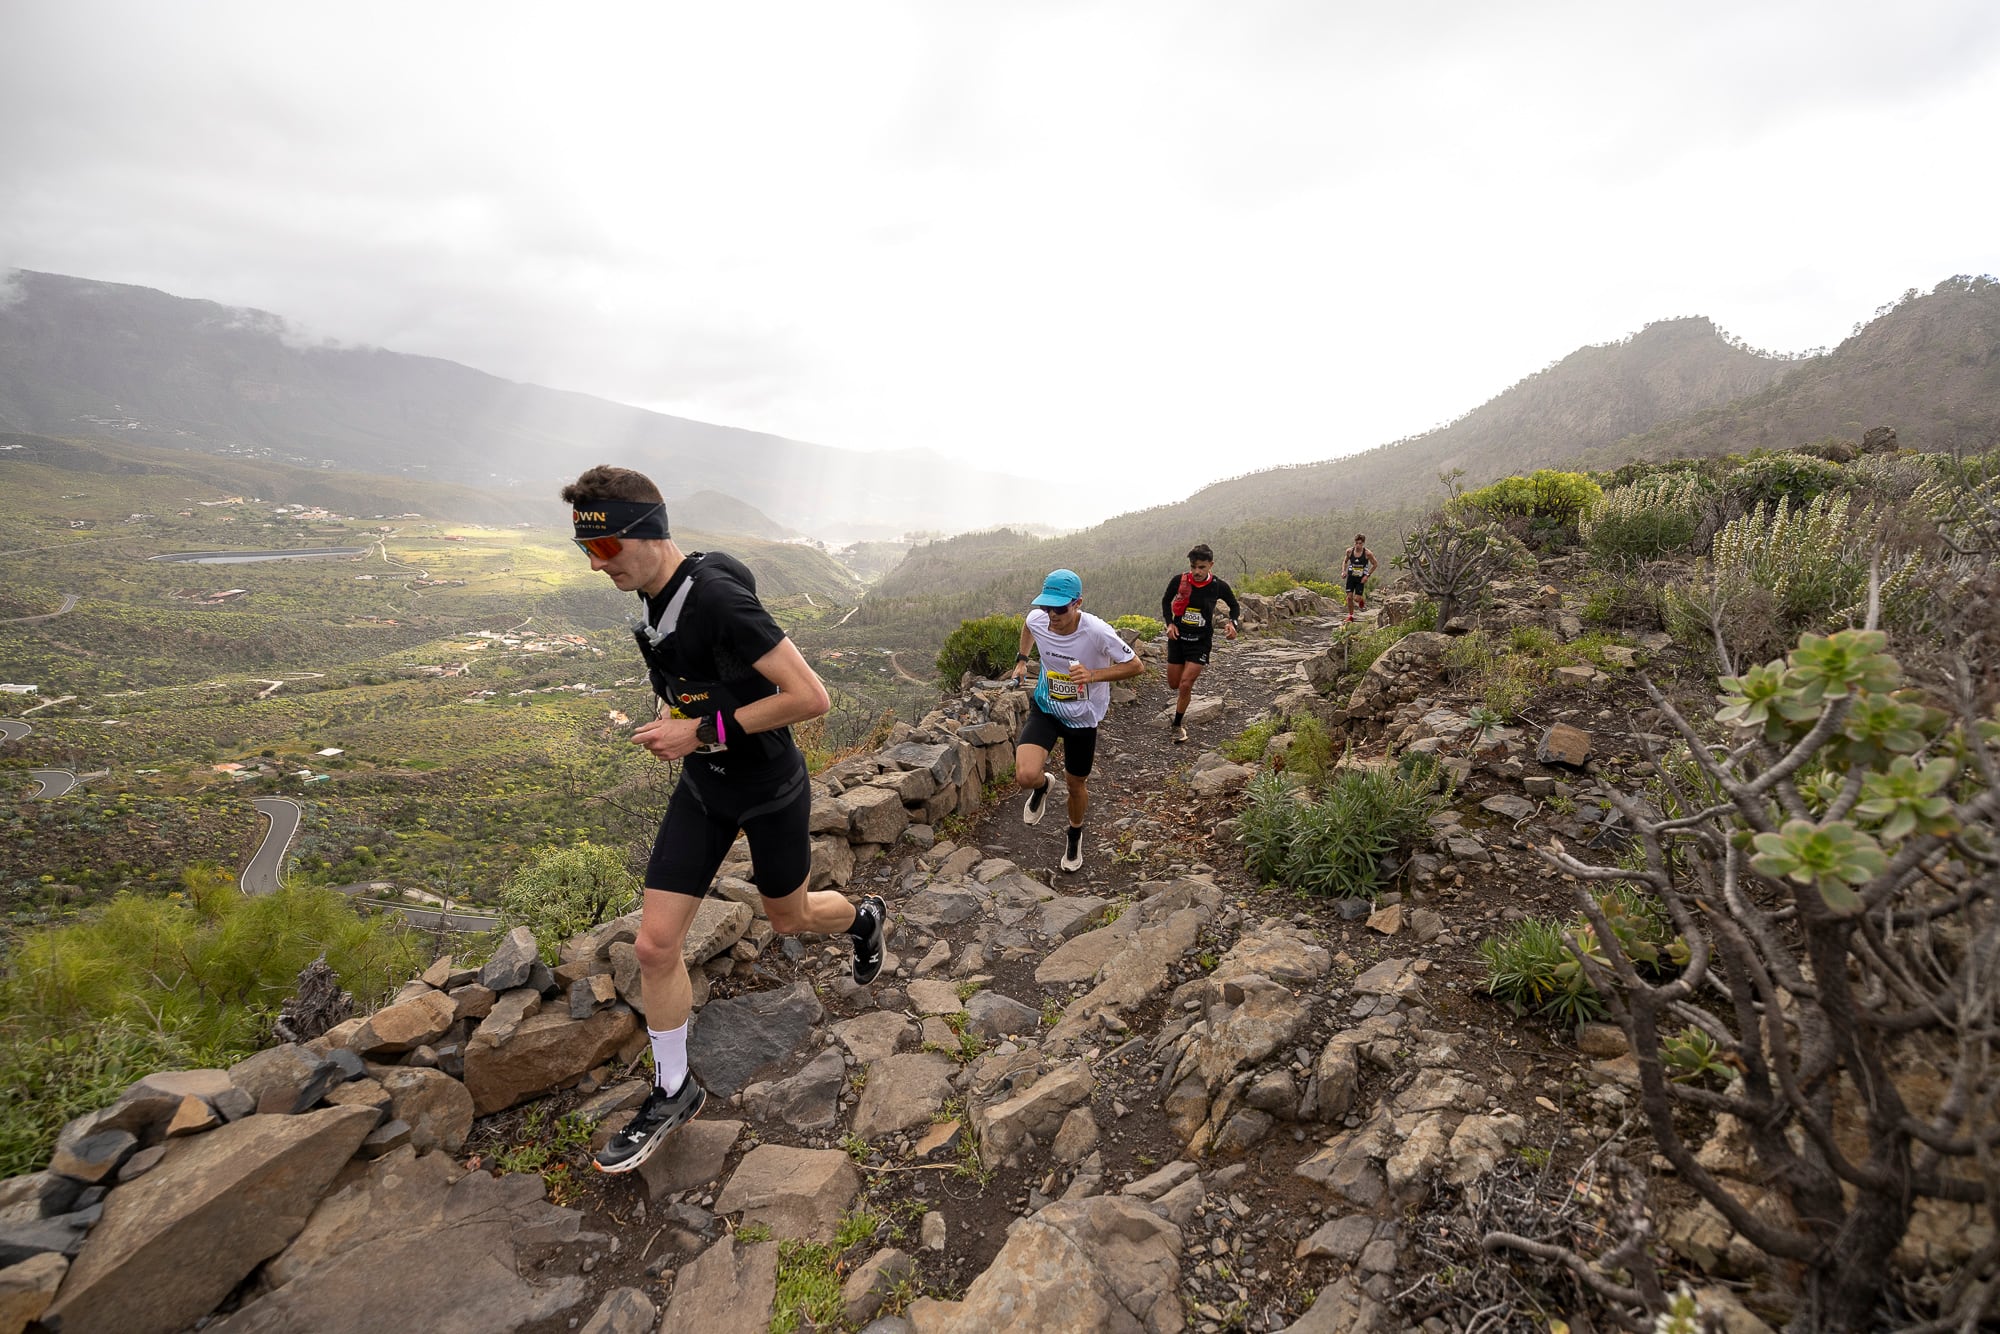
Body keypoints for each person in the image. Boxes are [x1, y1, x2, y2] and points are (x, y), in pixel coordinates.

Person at [562, 465, 886, 1175]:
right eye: (587, 549)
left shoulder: (715, 596)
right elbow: (697, 687)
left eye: (607, 547)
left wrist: (698, 731)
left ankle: (862, 920)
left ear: (648, 534)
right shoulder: (652, 598)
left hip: (768, 787)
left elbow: (810, 696)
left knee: (791, 918)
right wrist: (671, 721)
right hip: (704, 789)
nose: (595, 563)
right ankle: (672, 1090)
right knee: (653, 947)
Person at [1007, 569, 1143, 873]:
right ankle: (1042, 787)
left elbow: (1135, 665)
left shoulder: (1097, 631)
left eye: (1060, 608)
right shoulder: (1039, 619)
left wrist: (1093, 675)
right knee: (1025, 776)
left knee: (1076, 784)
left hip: (1082, 718)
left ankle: (1074, 832)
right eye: (1046, 607)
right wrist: (1021, 659)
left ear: (1077, 603)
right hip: (1047, 707)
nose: (1051, 615)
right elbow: (1028, 627)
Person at [1159, 544, 1240, 744]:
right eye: (1194, 566)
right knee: (1174, 684)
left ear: (1211, 565)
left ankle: (1177, 725)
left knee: (1186, 684)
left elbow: (1234, 606)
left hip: (1201, 642)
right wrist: (1169, 624)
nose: (1197, 571)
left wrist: (1232, 623)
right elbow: (1165, 601)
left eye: (1202, 567)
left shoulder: (1218, 586)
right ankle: (1182, 701)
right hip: (1178, 639)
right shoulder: (1179, 581)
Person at [1342, 534, 1378, 623]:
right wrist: (1343, 571)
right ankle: (1351, 616)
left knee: (1356, 599)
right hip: (1351, 577)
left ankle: (1361, 599)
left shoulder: (1367, 554)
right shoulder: (1349, 551)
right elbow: (1345, 561)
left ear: (1363, 544)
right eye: (1356, 543)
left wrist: (1367, 575)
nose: (1358, 545)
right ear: (1354, 543)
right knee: (1349, 597)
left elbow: (1375, 564)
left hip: (1360, 579)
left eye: (1360, 543)